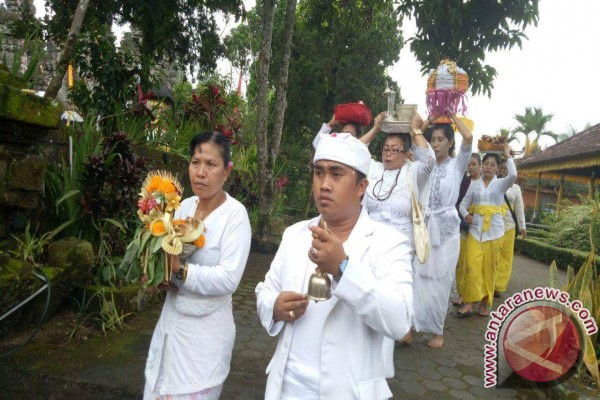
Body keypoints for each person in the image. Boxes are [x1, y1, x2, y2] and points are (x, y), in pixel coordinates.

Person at [256, 132, 413, 400]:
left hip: (348, 390)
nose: (324, 184)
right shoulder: (295, 234)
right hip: (287, 386)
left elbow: (400, 321)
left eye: (337, 174)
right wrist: (274, 306)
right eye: (319, 173)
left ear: (361, 186)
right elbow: (264, 291)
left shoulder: (389, 242)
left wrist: (343, 268)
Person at [143, 132, 252, 400]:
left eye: (211, 164)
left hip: (205, 340)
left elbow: (229, 278)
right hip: (171, 328)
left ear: (227, 171)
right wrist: (158, 274)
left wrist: (181, 272)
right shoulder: (181, 208)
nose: (200, 172)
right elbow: (164, 255)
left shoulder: (235, 216)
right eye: (195, 162)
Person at [412, 112, 473, 348]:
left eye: (440, 139)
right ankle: (411, 325)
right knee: (418, 275)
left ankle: (438, 331)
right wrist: (428, 119)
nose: (436, 144)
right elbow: (413, 135)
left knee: (442, 279)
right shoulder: (425, 161)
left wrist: (451, 116)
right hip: (425, 226)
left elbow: (468, 138)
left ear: (450, 142)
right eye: (433, 139)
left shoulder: (458, 165)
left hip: (447, 230)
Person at [458, 146, 516, 317]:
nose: (488, 167)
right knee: (471, 266)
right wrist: (466, 214)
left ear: (498, 169)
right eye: (486, 164)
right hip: (475, 231)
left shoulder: (501, 184)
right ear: (482, 166)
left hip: (495, 232)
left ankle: (485, 302)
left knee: (489, 269)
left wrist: (508, 156)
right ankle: (469, 303)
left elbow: (513, 175)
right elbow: (462, 204)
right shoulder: (474, 185)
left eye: (492, 165)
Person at [453, 153, 481, 307]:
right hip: (463, 226)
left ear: (480, 165)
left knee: (473, 263)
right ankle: (461, 293)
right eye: (469, 164)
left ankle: (472, 294)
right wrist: (465, 215)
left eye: (474, 164)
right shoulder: (464, 181)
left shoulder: (485, 183)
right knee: (461, 262)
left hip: (480, 229)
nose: (471, 167)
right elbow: (457, 202)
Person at [495, 159, 526, 296]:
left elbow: (519, 209)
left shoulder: (516, 188)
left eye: (505, 168)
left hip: (509, 226)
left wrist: (523, 226)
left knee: (505, 257)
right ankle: (488, 282)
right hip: (493, 224)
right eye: (501, 168)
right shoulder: (492, 183)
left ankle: (499, 286)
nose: (503, 171)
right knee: (492, 254)